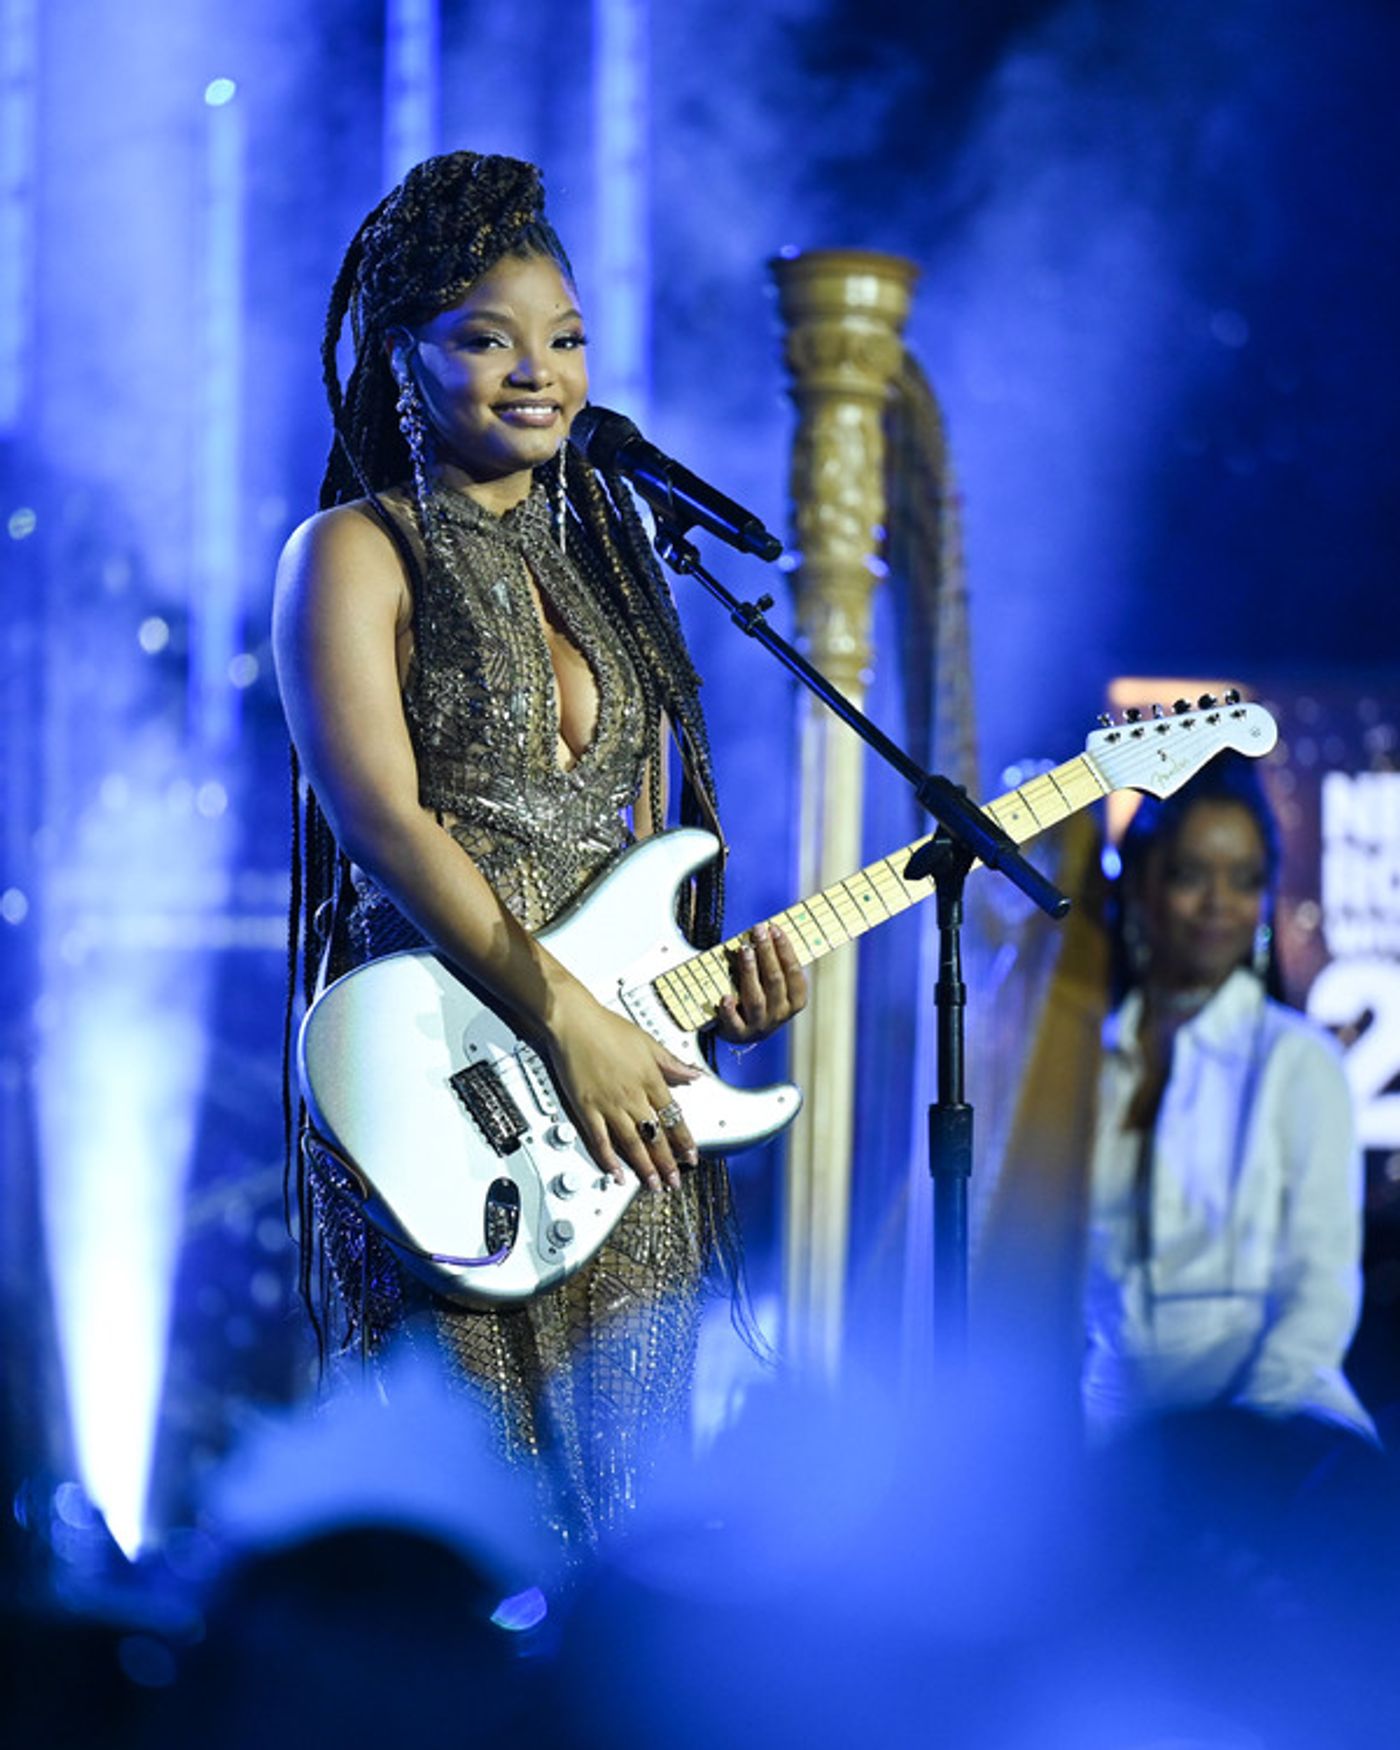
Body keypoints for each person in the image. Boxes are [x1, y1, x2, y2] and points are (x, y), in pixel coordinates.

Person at [271, 151, 806, 1549]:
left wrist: (716, 991)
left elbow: (635, 865)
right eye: (486, 337)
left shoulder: (613, 573)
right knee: (480, 1522)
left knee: (630, 1532)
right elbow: (379, 821)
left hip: (619, 1112)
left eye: (564, 340)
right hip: (446, 1083)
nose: (538, 370)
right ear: (403, 356)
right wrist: (563, 1021)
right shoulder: (352, 550)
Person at [1082, 752, 1374, 1444]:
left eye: (1245, 881)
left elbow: (1318, 1298)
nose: (1220, 905)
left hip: (1280, 1424)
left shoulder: (1300, 1062)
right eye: (1190, 876)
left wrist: (1231, 1451)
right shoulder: (1082, 1065)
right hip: (1118, 1437)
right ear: (1140, 889)